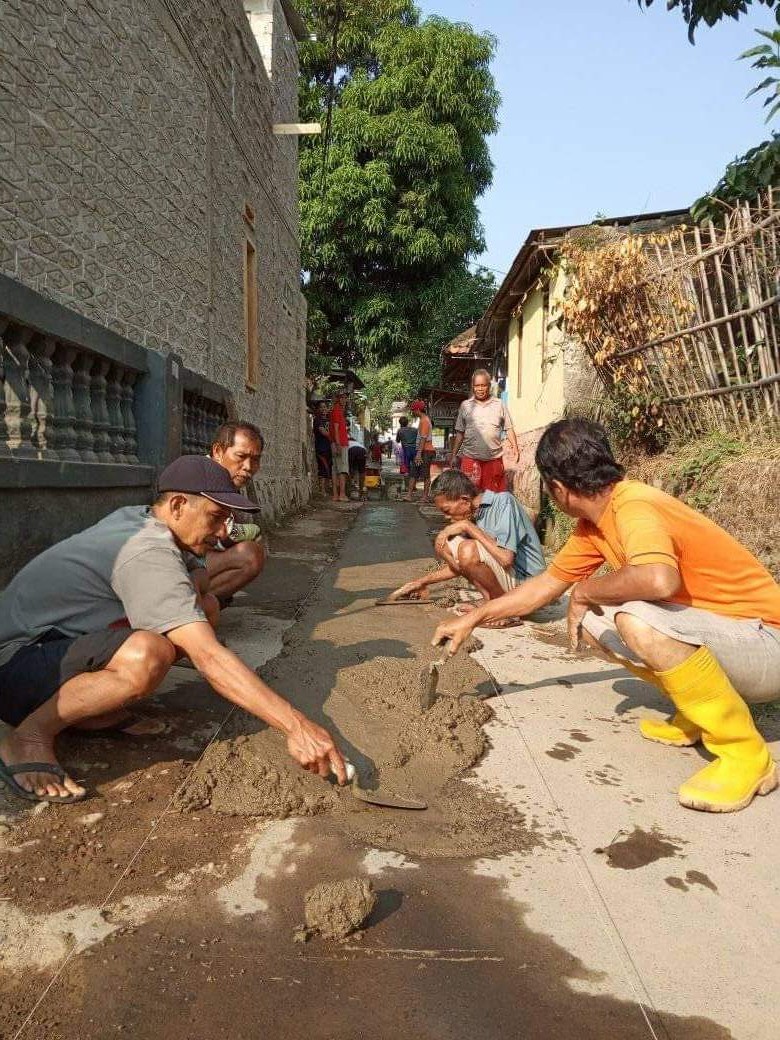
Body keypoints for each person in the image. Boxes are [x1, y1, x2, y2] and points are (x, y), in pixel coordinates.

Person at [433, 418, 780, 814]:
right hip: (731, 639)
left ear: (558, 488)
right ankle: (698, 714)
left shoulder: (634, 505)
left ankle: (745, 754)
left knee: (635, 620)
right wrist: (473, 618)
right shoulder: (594, 526)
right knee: (594, 620)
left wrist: (585, 589)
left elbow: (658, 579)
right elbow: (542, 588)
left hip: (767, 643)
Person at [0, 455, 348, 803]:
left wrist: (195, 576)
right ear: (179, 505)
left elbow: (196, 577)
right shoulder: (147, 551)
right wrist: (296, 725)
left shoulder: (142, 518)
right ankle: (29, 736)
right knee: (148, 655)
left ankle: (93, 713)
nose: (224, 531)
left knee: (204, 606)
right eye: (215, 517)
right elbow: (208, 657)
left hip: (54, 645)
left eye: (228, 519)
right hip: (15, 665)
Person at [389, 470, 545, 621]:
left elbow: (505, 559)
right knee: (446, 544)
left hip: (532, 588)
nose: (446, 517)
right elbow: (463, 566)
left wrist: (468, 527)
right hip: (513, 581)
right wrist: (422, 582)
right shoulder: (474, 515)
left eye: (447, 510)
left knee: (466, 548)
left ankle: (501, 610)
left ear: (464, 500)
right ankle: (491, 602)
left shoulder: (503, 502)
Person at [206, 422, 267, 604]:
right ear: (218, 451)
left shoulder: (223, 481)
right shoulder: (204, 480)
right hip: (176, 563)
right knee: (251, 554)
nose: (248, 466)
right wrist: (254, 531)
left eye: (255, 459)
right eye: (241, 456)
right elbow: (228, 533)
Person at [448, 369, 519, 492]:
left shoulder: (499, 404)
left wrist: (515, 449)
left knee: (493, 497)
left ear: (489, 386)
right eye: (477, 386)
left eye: (483, 385)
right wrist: (454, 455)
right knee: (469, 496)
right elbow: (460, 433)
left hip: (494, 460)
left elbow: (509, 428)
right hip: (470, 459)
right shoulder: (465, 405)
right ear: (472, 387)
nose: (480, 389)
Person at [408, 399, 435, 503]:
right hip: (422, 450)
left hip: (425, 451)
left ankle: (425, 496)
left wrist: (418, 454)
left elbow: (423, 438)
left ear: (418, 409)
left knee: (425, 474)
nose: (412, 412)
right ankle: (409, 495)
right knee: (413, 472)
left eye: (413, 410)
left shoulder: (424, 421)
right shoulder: (424, 420)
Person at [329, 389, 350, 502]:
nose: (344, 400)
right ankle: (341, 494)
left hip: (336, 443)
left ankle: (336, 495)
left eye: (345, 397)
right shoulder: (337, 411)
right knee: (342, 470)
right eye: (342, 397)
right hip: (340, 443)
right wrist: (337, 444)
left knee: (335, 470)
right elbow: (336, 429)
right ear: (337, 399)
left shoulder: (336, 411)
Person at [313, 401, 334, 497]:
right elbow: (323, 431)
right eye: (321, 407)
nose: (323, 409)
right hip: (321, 448)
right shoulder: (317, 420)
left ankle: (326, 489)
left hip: (330, 448)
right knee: (323, 468)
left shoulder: (329, 420)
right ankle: (322, 490)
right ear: (318, 409)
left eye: (325, 407)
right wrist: (333, 438)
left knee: (328, 468)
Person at [396, 416, 417, 493]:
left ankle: (407, 487)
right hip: (415, 450)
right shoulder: (414, 430)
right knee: (415, 468)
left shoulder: (400, 430)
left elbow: (397, 441)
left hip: (406, 450)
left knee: (406, 470)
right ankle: (413, 486)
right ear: (407, 422)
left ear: (400, 423)